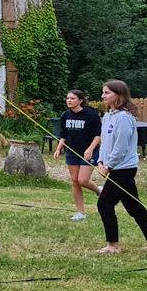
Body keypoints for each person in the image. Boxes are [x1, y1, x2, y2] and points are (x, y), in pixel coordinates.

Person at [94, 80, 147, 255]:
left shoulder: (124, 118)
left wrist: (109, 166)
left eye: (107, 93)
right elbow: (105, 142)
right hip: (113, 167)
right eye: (103, 92)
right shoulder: (108, 115)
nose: (103, 96)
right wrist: (100, 161)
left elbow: (121, 147)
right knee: (134, 207)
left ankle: (113, 245)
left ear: (119, 95)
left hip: (123, 169)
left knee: (104, 204)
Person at [53, 89, 101, 221]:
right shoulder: (65, 115)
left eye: (72, 98)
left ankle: (98, 190)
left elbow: (98, 135)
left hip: (88, 152)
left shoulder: (90, 114)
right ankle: (80, 213)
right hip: (72, 153)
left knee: (83, 180)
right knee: (75, 181)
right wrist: (58, 149)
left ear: (80, 101)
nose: (69, 100)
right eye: (67, 98)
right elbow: (63, 135)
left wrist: (91, 149)